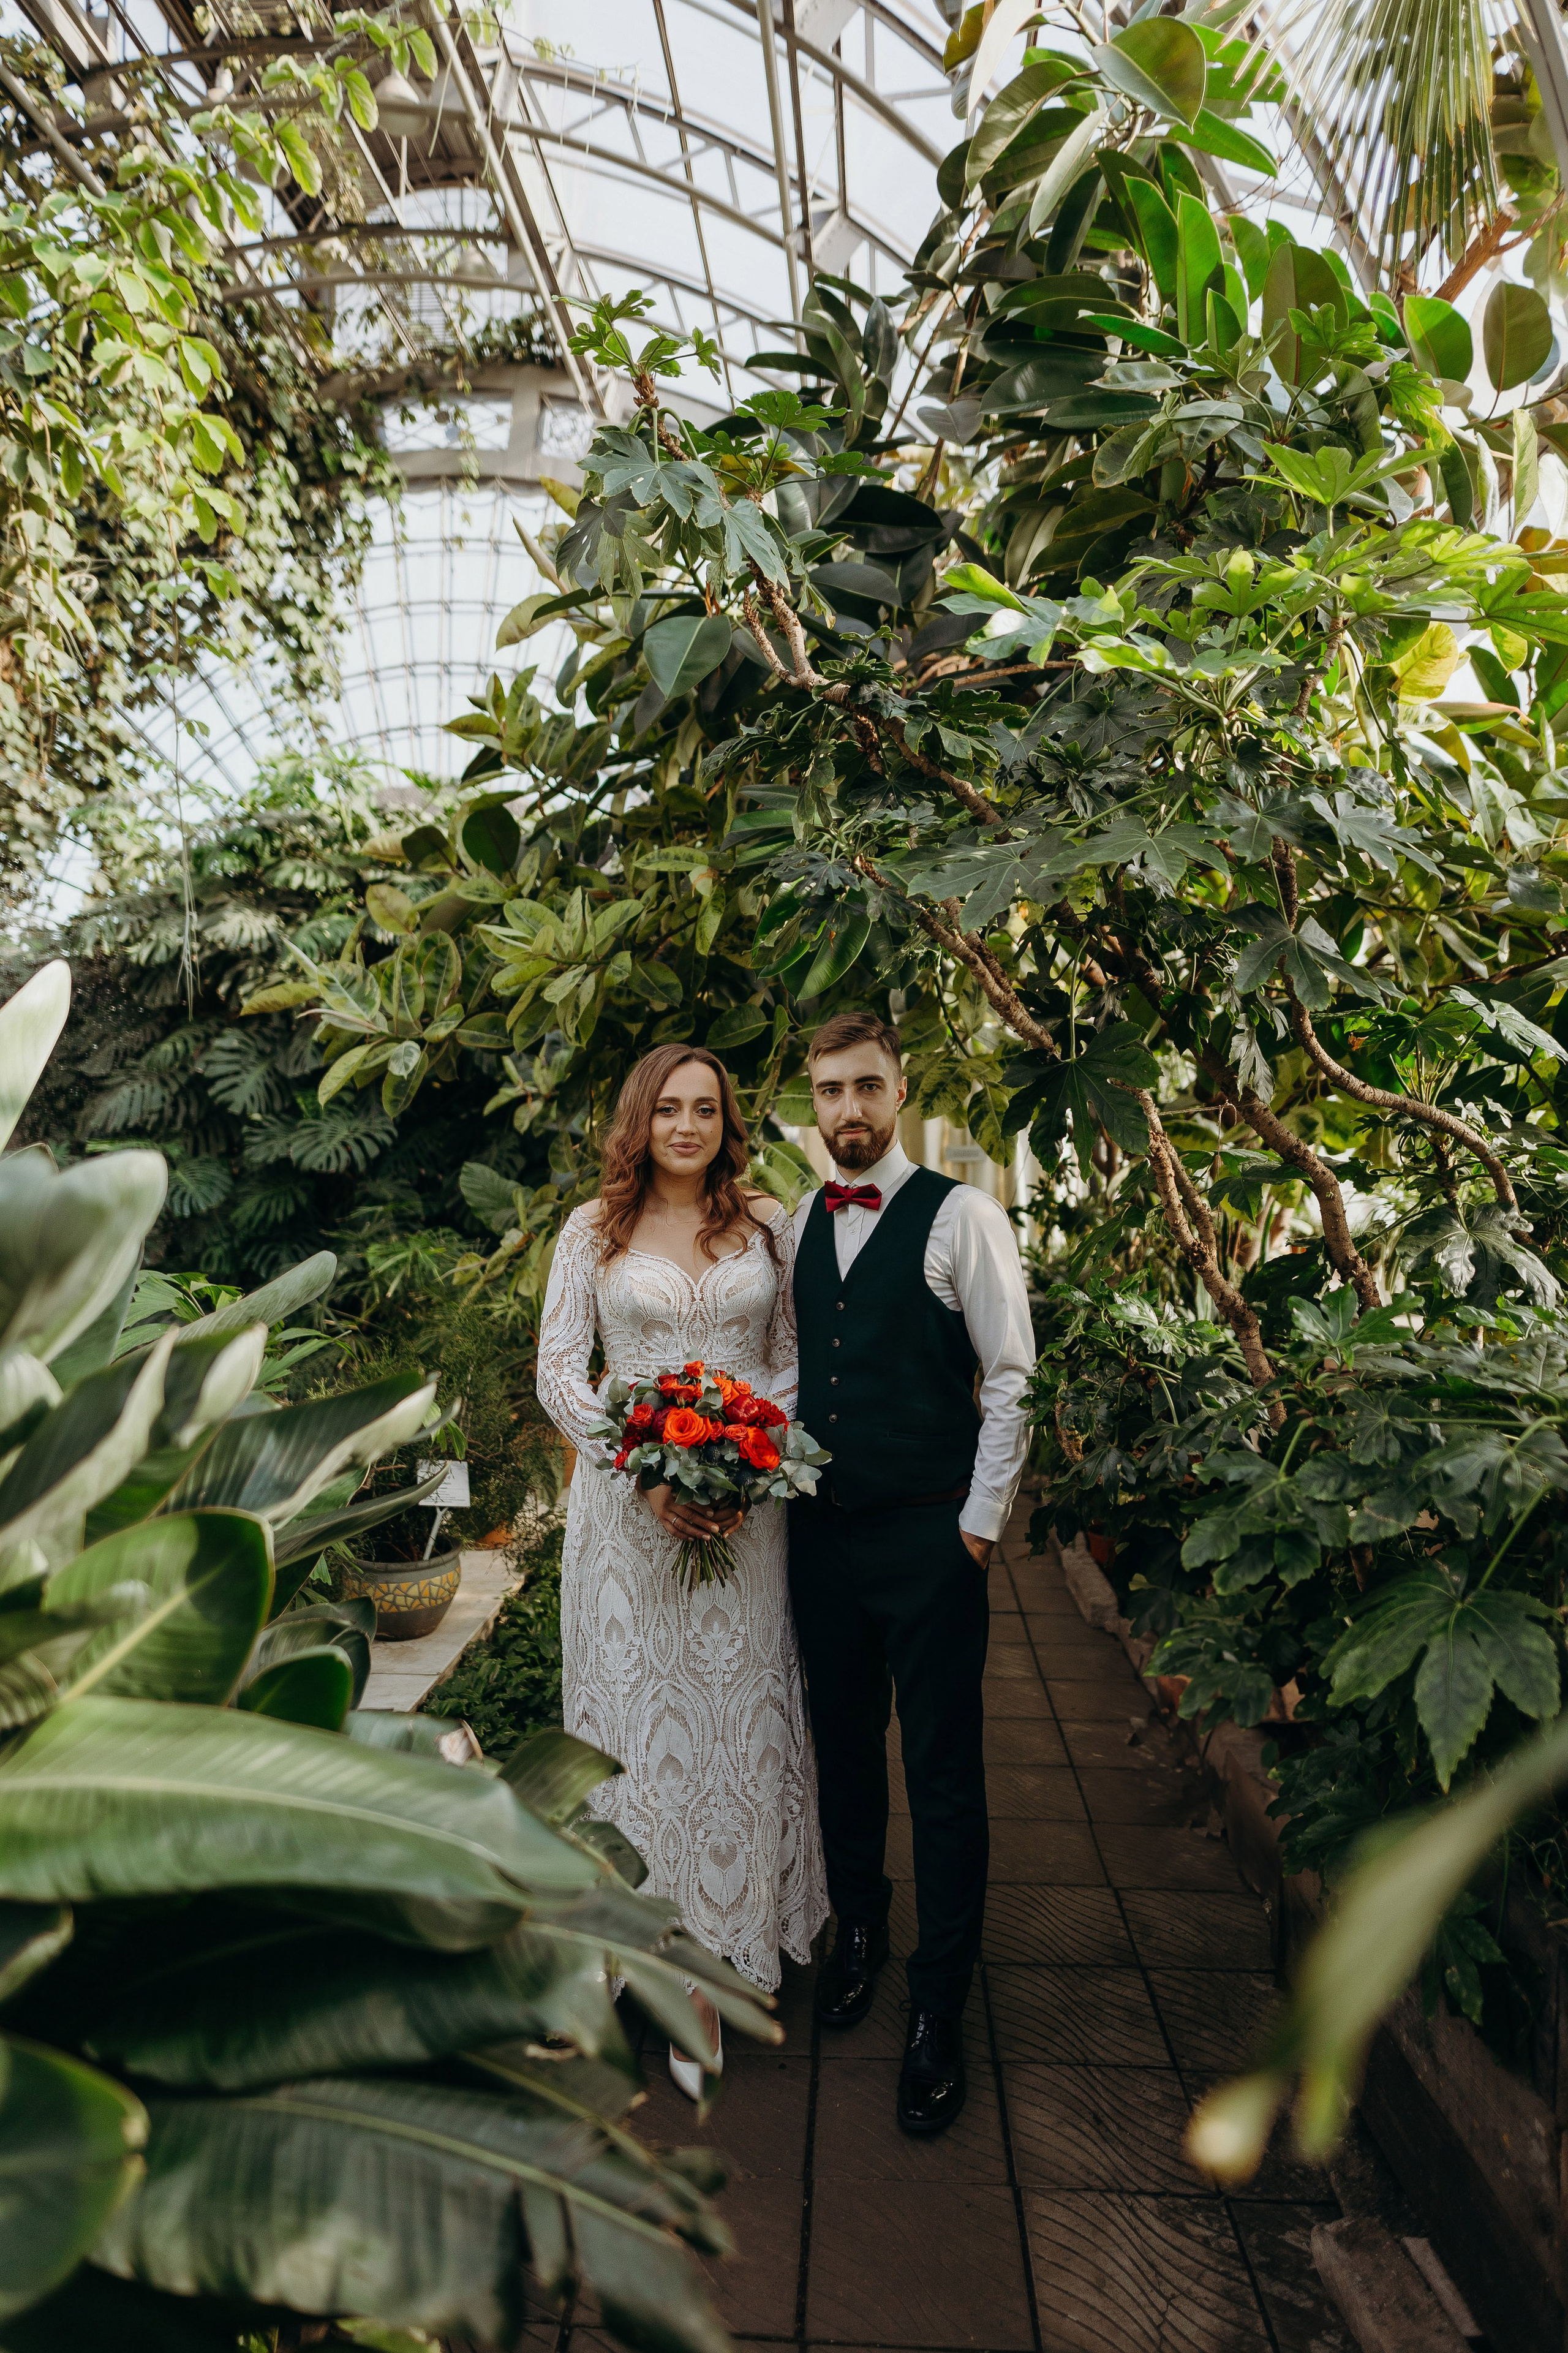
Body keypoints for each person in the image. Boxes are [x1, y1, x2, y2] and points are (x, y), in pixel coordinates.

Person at [536, 1044, 828, 2098]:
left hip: (744, 1518)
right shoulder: (591, 1231)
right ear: (641, 1118)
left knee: (734, 1724)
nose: (689, 1126)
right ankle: (659, 1973)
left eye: (706, 1109)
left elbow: (795, 1358)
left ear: (726, 1121)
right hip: (629, 1521)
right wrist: (644, 1469)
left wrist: (751, 1452)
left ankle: (728, 1943)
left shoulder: (766, 1226)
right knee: (638, 1727)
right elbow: (560, 1371)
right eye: (669, 1108)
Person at [789, 1009, 1034, 2135]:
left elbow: (1013, 1376)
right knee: (841, 1753)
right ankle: (859, 1929)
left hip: (931, 1543)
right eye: (830, 1090)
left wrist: (976, 1530)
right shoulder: (797, 1219)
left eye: (867, 1087)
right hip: (822, 1542)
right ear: (812, 1099)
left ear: (901, 1091)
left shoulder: (960, 1215)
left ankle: (939, 2006)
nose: (849, 1108)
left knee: (940, 1777)